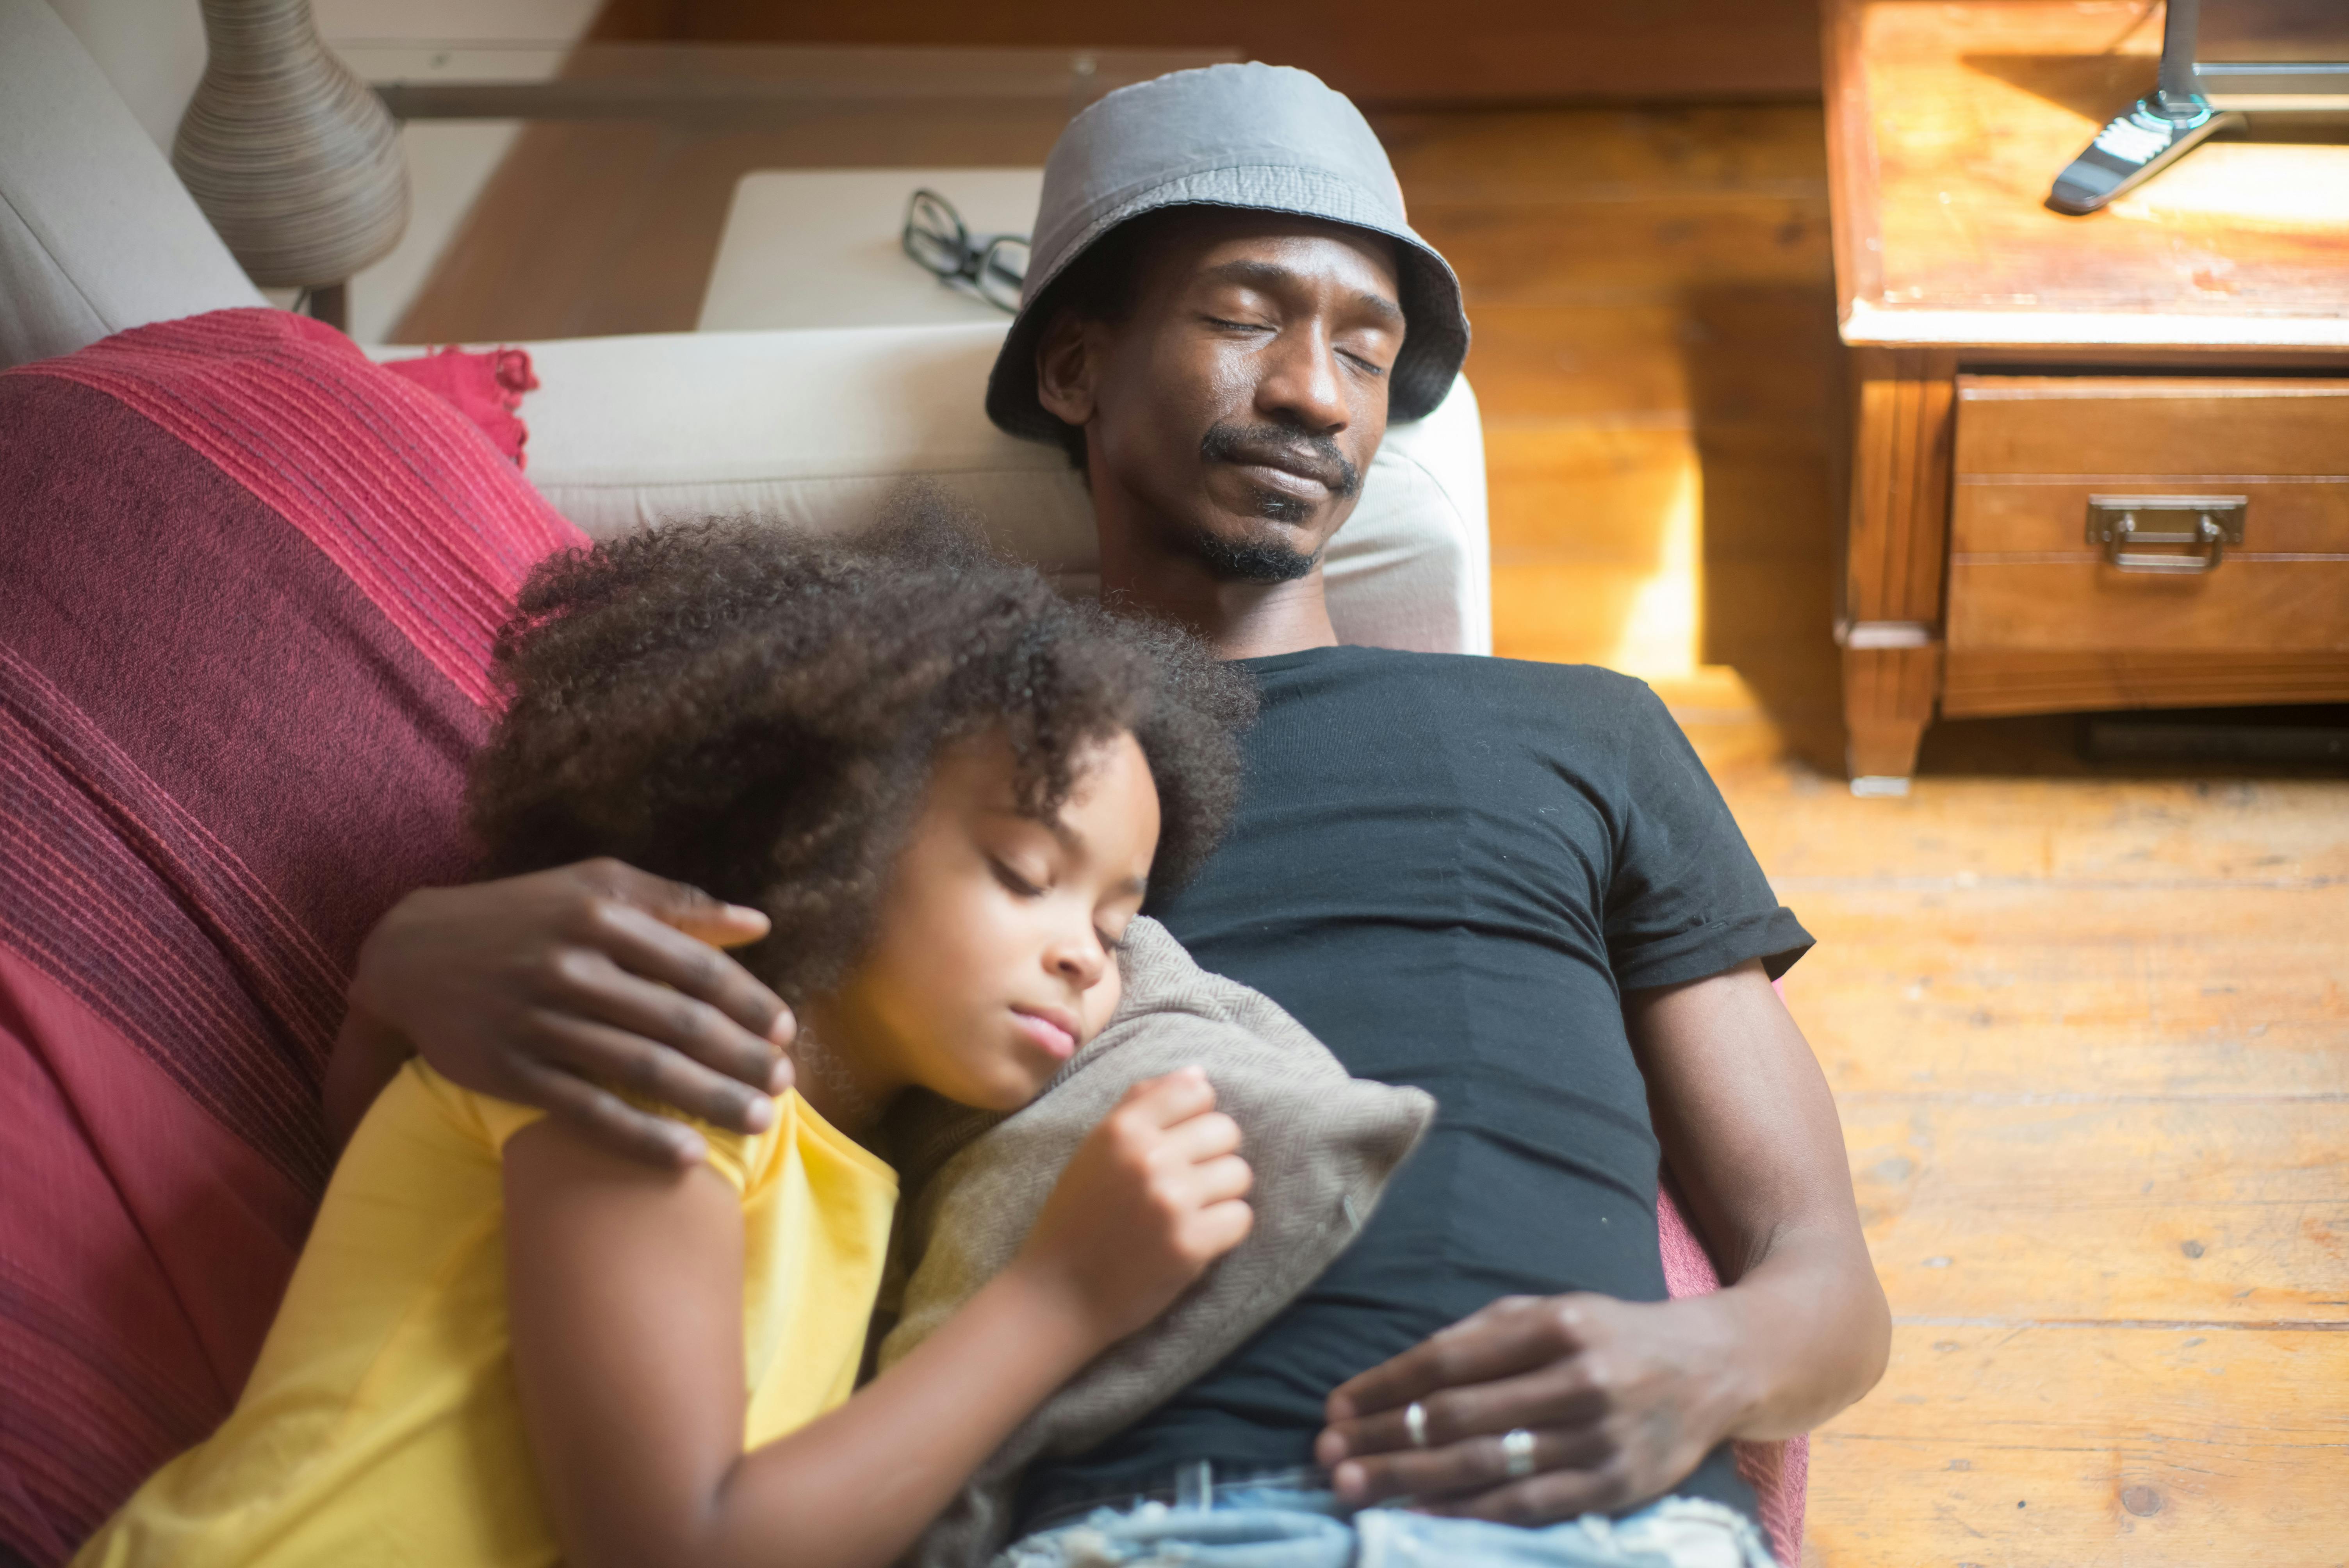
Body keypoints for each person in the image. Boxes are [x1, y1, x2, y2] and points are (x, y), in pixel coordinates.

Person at [331, 64, 1889, 1565]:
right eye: (1243, 314)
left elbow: (1824, 1276)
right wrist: (406, 959)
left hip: (1594, 1528)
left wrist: (1709, 1361)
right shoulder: (927, 746)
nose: (1311, 392)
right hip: (1126, 1523)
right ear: (1075, 367)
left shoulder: (1582, 729)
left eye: (1366, 348)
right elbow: (554, 1097)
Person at [75, 519, 1266, 1568]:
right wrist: (1060, 1295)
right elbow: (677, 1547)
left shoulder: (847, 1178)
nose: (1084, 955)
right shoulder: (650, 1052)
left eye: (1117, 926)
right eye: (1025, 874)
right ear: (829, 816)